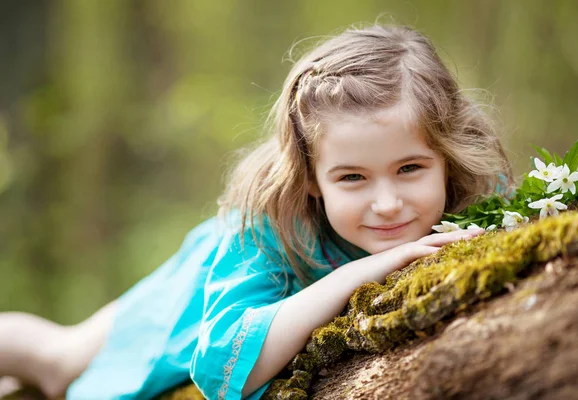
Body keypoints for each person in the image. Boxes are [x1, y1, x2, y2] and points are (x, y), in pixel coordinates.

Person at [0, 24, 513, 399]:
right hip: (204, 283)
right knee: (59, 359)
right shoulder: (269, 225)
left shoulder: (483, 195)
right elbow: (225, 370)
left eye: (410, 168)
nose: (387, 203)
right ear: (312, 177)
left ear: (447, 157)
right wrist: (362, 272)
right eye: (352, 177)